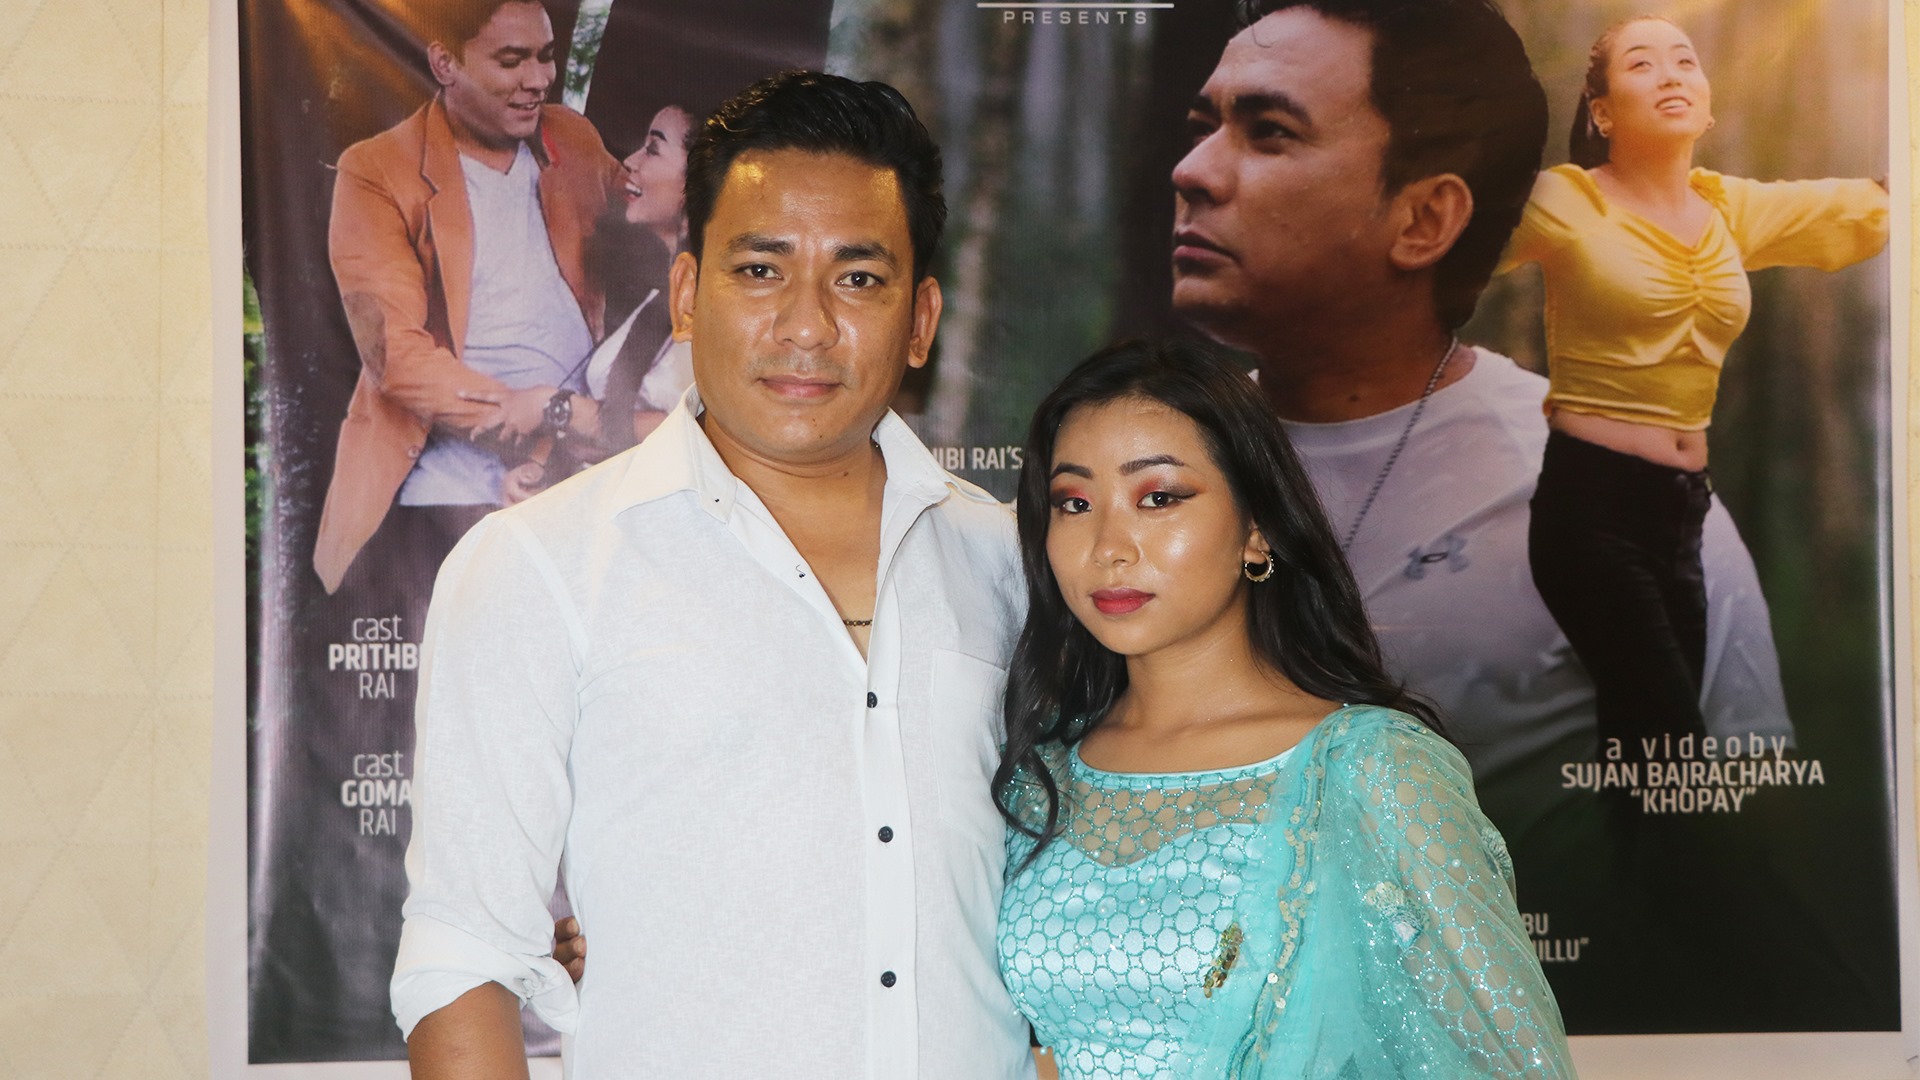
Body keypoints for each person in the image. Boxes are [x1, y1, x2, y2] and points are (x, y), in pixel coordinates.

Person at [392, 71, 1036, 1078]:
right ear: (690, 294)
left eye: (858, 279)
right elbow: (463, 956)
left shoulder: (1010, 565)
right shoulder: (538, 568)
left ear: (921, 320)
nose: (806, 325)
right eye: (762, 269)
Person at [992, 338, 1573, 1078]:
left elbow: (1517, 1062)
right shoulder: (1041, 775)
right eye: (1074, 503)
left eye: (1158, 498)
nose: (1109, 547)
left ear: (1257, 526)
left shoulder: (1370, 768)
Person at [1500, 15, 1889, 751]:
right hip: (1592, 511)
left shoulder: (1727, 210)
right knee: (1671, 745)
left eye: (1684, 60)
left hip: (1684, 516)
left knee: (1653, 766)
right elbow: (1444, 246)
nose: (1672, 74)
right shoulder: (1568, 201)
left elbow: (1858, 206)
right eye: (1642, 64)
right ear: (1603, 113)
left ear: (1707, 104)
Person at [315, 0, 623, 595]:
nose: (538, 79)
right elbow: (392, 355)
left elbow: (658, 216)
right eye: (511, 61)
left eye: (546, 57)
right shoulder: (376, 170)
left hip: (577, 485)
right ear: (445, 63)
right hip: (447, 497)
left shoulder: (571, 138)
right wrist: (539, 420)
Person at [582, 103, 698, 450]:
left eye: (653, 149)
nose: (631, 161)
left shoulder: (708, 307)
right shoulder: (662, 295)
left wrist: (559, 409)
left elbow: (690, 431)